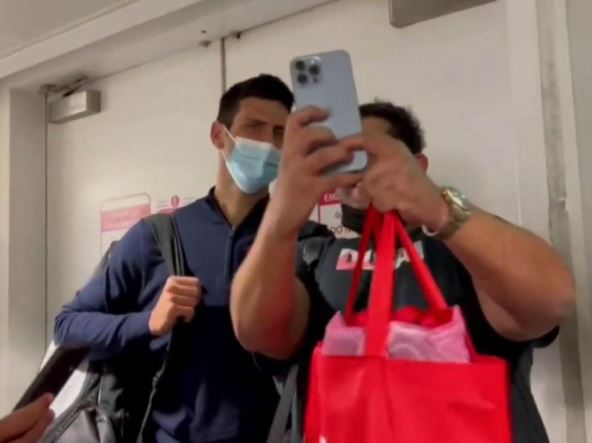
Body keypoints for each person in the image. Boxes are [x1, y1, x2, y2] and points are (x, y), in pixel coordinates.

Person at [230, 101, 576, 442]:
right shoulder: (313, 255)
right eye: (343, 159)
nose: (357, 172)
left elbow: (551, 299)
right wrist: (280, 218)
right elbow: (257, 332)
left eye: (369, 156)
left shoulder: (467, 246)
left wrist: (438, 207)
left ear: (418, 165)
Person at [53, 74, 329, 443]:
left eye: (280, 133)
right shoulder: (158, 237)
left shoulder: (307, 243)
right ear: (218, 135)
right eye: (254, 127)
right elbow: (67, 326)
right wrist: (147, 323)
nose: (267, 142)